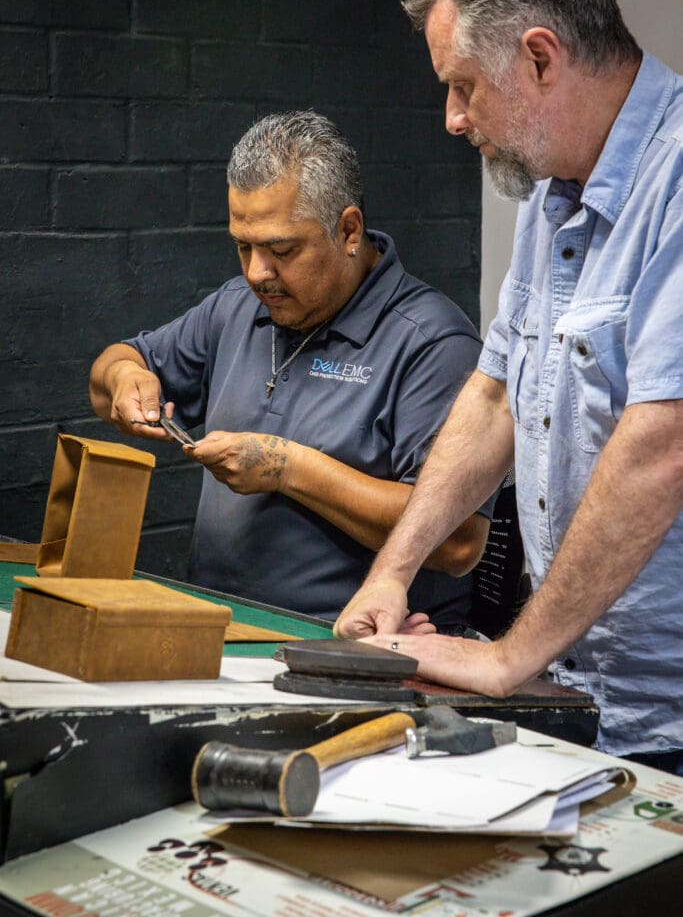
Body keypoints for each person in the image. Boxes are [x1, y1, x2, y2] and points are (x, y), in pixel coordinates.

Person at [334, 0, 683, 770]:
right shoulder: (550, 199)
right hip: (579, 692)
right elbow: (493, 395)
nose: (453, 119)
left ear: (538, 56)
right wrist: (393, 571)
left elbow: (662, 445)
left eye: (463, 87)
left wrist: (504, 657)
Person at [90, 111, 494, 627]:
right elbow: (112, 367)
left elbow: (460, 541)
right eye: (243, 246)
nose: (258, 272)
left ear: (349, 229)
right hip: (215, 630)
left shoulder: (431, 343)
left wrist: (289, 469)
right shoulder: (238, 306)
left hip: (346, 648)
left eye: (281, 250)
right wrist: (125, 379)